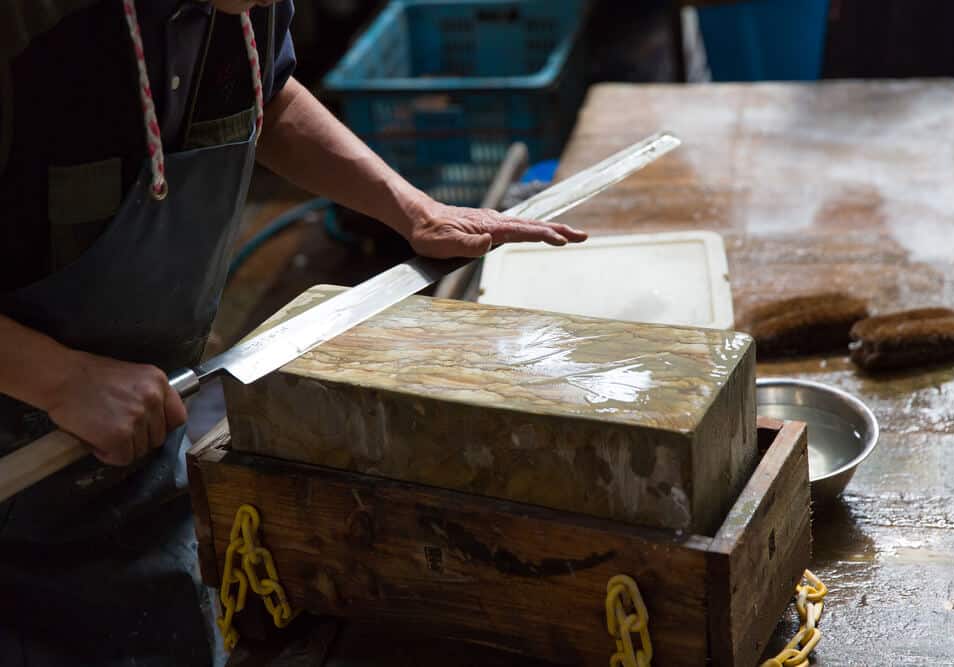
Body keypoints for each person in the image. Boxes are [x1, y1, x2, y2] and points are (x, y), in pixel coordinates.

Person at [0, 1, 587, 664]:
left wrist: (412, 209)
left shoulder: (246, 9)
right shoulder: (27, 26)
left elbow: (268, 103)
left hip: (131, 435)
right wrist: (60, 377)